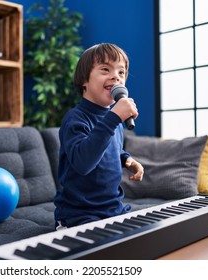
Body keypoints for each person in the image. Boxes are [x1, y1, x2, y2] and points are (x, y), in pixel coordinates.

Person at [54, 43, 144, 230]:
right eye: (105, 69)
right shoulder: (75, 119)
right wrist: (114, 118)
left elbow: (112, 148)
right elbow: (83, 163)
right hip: (80, 214)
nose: (115, 77)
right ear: (84, 80)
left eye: (121, 72)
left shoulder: (114, 119)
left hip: (113, 209)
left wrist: (127, 159)